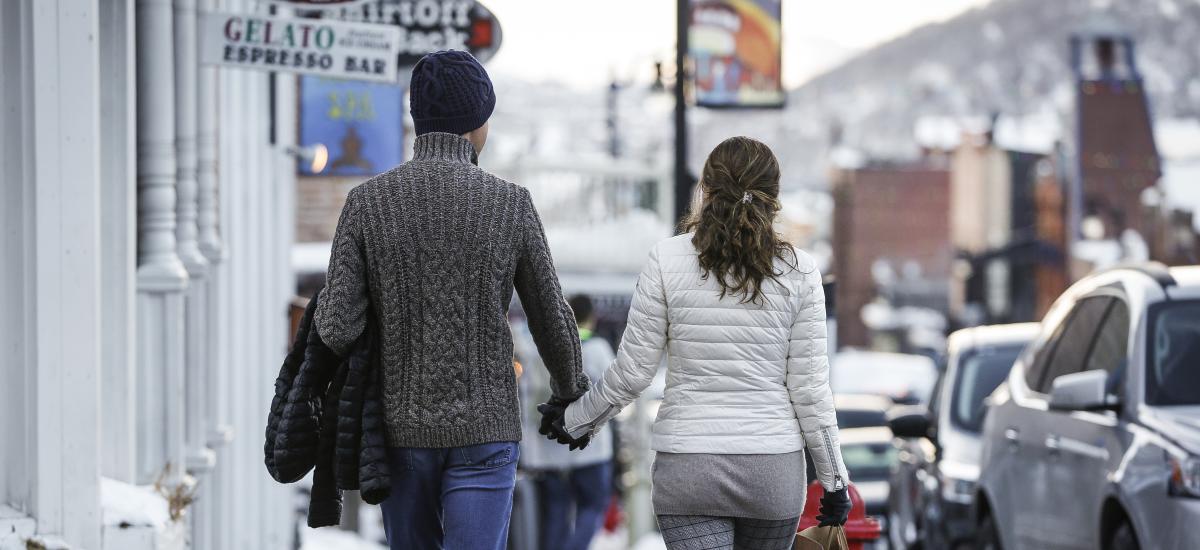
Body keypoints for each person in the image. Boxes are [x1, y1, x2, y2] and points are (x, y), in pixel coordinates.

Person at [314, 49, 589, 550]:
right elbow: (551, 316)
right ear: (477, 121)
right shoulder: (511, 203)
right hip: (487, 430)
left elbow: (336, 327)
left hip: (401, 434)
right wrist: (571, 392)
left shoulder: (366, 204)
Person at [539, 136, 853, 550]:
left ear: (705, 189)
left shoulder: (666, 260)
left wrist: (578, 420)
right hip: (772, 472)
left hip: (689, 467)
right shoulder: (800, 271)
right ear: (773, 197)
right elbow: (810, 390)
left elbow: (633, 373)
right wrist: (834, 482)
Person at [526, 295, 616, 550]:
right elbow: (613, 393)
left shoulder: (539, 349)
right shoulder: (597, 349)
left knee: (555, 514)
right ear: (592, 317)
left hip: (547, 452)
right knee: (593, 507)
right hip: (591, 451)